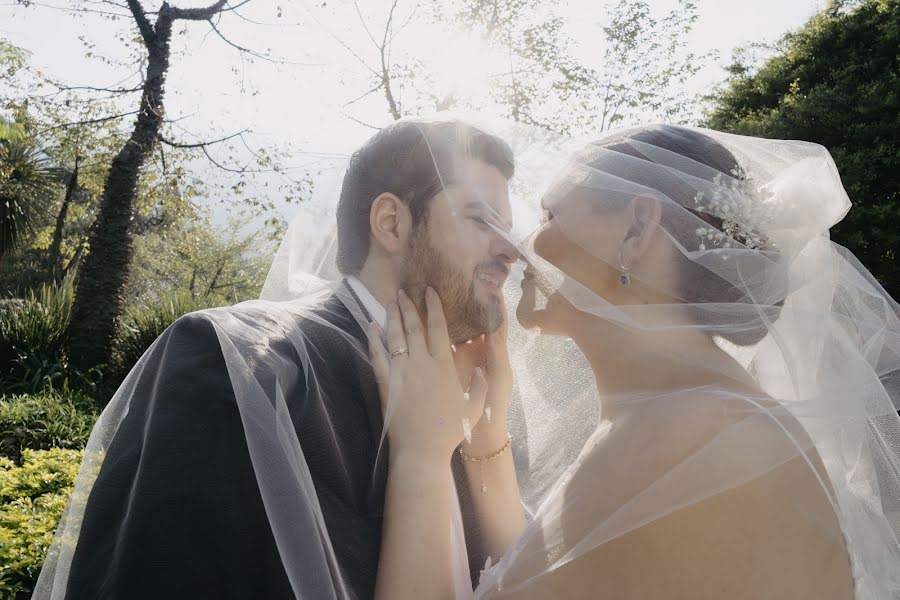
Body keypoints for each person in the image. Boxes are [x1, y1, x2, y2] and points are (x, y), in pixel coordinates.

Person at [380, 124, 900, 599]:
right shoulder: (679, 413)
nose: (520, 248)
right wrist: (488, 439)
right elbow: (567, 568)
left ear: (636, 231)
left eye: (549, 215)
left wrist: (420, 456)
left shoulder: (696, 438)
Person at [32, 118, 523, 600]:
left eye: (508, 228)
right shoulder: (239, 360)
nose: (511, 251)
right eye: (482, 220)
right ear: (391, 224)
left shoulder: (478, 399)